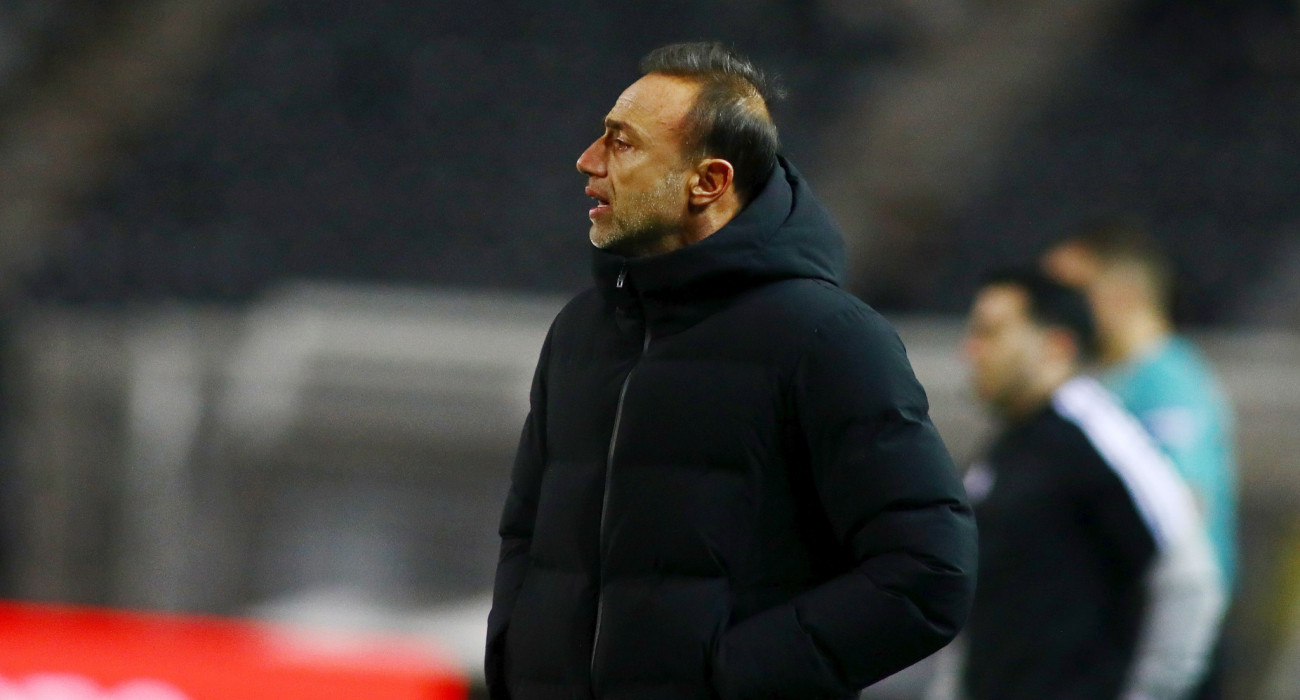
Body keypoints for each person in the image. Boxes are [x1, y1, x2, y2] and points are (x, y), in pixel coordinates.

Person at [485, 42, 977, 700]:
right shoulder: (582, 330)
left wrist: (728, 680)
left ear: (708, 181)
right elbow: (526, 534)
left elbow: (927, 574)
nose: (588, 160)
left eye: (622, 143)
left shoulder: (829, 339)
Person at [933, 269, 1224, 700]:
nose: (971, 350)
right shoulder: (1002, 452)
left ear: (1056, 345)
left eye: (990, 332)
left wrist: (1149, 692)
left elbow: (1188, 578)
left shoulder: (1099, 436)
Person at [1043, 224, 1237, 698]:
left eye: (1069, 293)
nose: (1052, 311)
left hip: (1166, 635)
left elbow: (1183, 504)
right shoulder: (1110, 383)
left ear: (1123, 293)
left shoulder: (1169, 383)